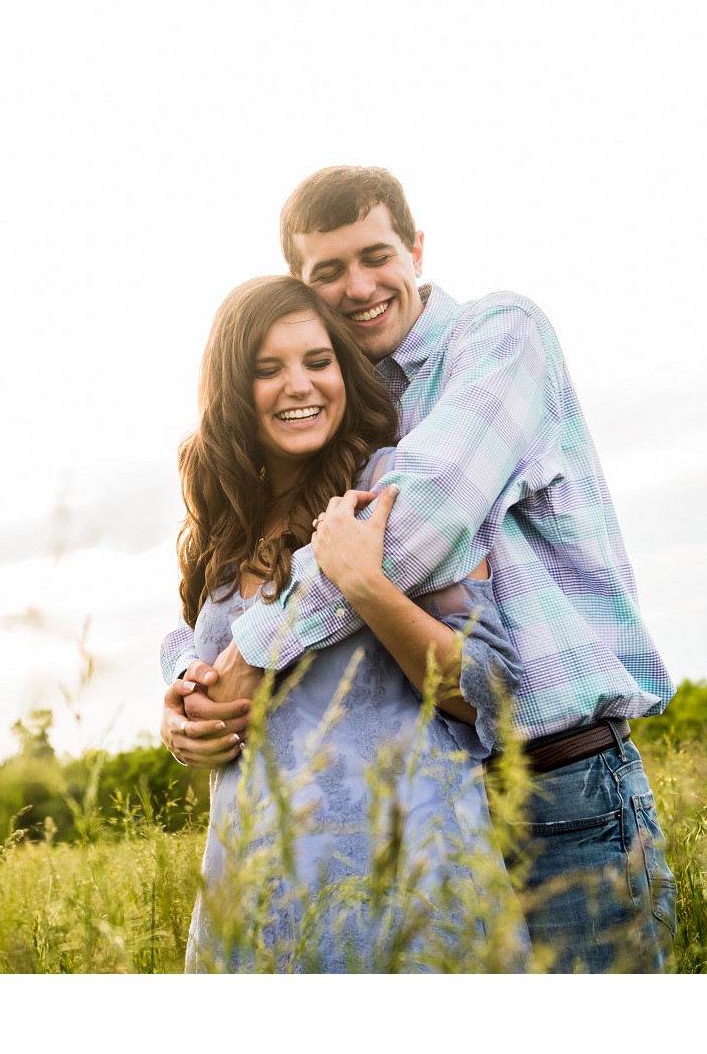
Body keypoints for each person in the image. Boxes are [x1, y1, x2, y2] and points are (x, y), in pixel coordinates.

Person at [160, 166, 679, 973]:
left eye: (375, 255)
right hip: (430, 821)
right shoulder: (351, 418)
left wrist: (248, 657)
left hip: (558, 779)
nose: (358, 286)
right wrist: (190, 685)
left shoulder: (496, 337)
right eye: (327, 272)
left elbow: (417, 527)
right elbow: (219, 612)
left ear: (416, 248)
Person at [172, 274, 528, 972]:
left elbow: (487, 691)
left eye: (317, 360)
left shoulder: (394, 484)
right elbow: (199, 656)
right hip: (258, 904)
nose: (299, 385)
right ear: (230, 389)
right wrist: (182, 706)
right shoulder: (220, 529)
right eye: (267, 369)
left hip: (410, 895)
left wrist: (366, 585)